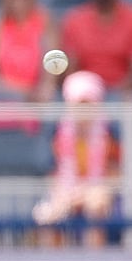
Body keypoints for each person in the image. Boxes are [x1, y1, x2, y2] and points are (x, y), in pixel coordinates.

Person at [32, 70, 119, 248]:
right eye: (78, 104)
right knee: (51, 212)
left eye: (88, 104)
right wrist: (68, 195)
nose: (83, 111)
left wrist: (86, 192)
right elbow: (52, 173)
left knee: (96, 203)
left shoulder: (111, 133)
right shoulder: (56, 134)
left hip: (102, 191)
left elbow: (117, 173)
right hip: (66, 190)